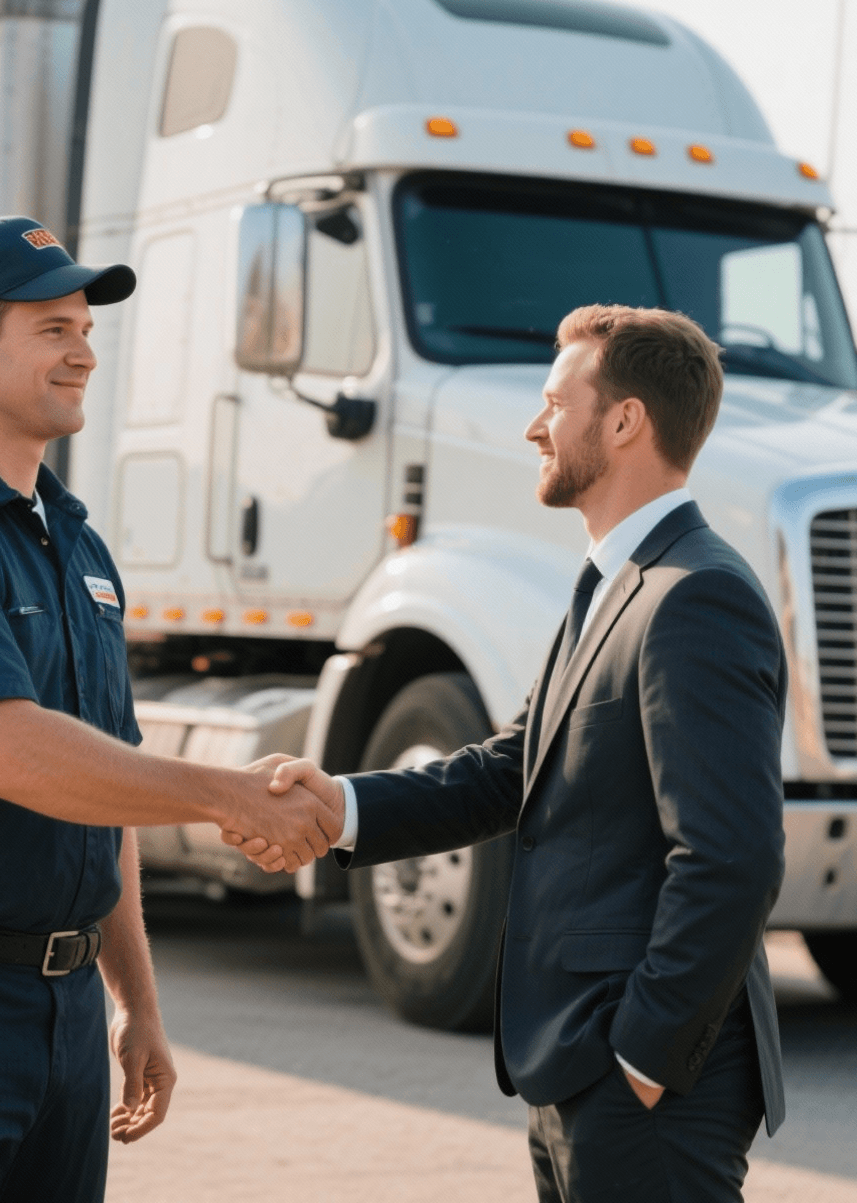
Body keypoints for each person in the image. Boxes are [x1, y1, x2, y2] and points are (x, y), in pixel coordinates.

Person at [0, 215, 341, 1203]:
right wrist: (226, 795)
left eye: (87, 327)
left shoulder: (77, 547)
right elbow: (6, 753)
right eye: (53, 328)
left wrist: (134, 1000)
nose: (85, 350)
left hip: (60, 1004)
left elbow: (105, 783)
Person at [230, 304, 787, 1202]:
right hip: (571, 1062)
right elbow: (510, 767)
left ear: (624, 421)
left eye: (555, 402)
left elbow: (733, 856)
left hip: (643, 1080)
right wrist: (341, 806)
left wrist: (644, 1052)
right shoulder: (610, 585)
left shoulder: (695, 596)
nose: (534, 425)